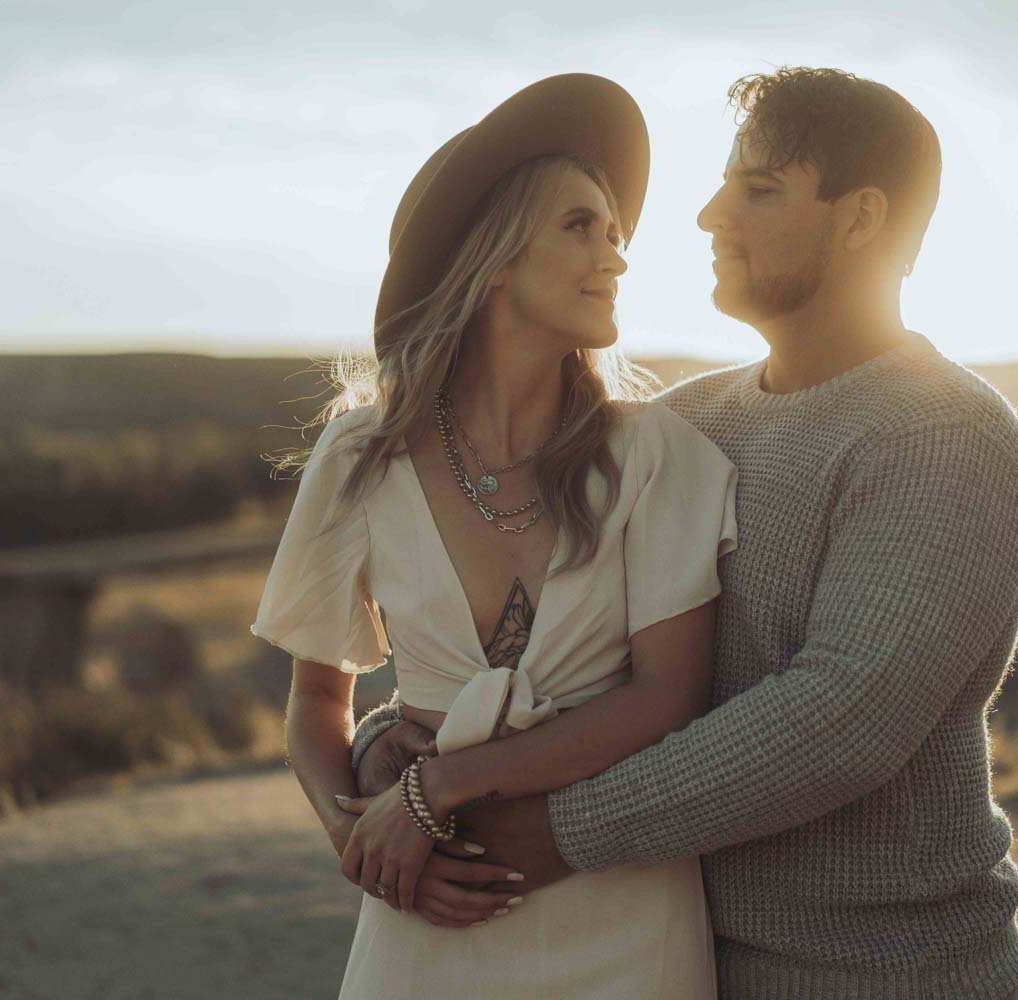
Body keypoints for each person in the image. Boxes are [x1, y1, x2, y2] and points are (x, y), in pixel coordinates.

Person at [351, 67, 1018, 999]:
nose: (710, 215)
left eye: (758, 190)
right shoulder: (683, 426)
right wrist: (405, 733)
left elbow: (839, 719)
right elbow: (559, 644)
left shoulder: (942, 435)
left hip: (880, 973)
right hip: (668, 956)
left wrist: (557, 830)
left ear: (863, 218)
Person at [252, 73, 737, 998]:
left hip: (622, 910)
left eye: (617, 234)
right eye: (580, 227)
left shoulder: (653, 457)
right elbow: (318, 699)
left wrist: (439, 789)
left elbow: (667, 696)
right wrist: (363, 840)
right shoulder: (360, 456)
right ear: (497, 256)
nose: (616, 258)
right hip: (427, 899)